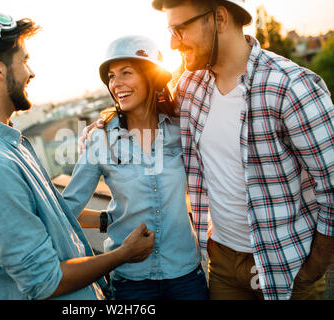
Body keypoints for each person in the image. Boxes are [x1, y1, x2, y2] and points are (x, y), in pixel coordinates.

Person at [81, 0, 333, 300]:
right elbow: (143, 106)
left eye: (180, 29)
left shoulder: (291, 86)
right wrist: (105, 122)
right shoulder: (190, 87)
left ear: (220, 18)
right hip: (221, 266)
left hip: (286, 264)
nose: (173, 43)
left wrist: (316, 266)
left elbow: (331, 186)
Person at [0, 4, 155, 300]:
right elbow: (46, 282)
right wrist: (124, 254)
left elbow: (47, 216)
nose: (31, 72)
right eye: (24, 60)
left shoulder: (4, 142)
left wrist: (107, 220)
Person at [63, 35, 208, 300]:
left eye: (126, 73)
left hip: (186, 277)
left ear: (151, 77)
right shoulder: (101, 138)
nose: (116, 84)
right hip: (131, 283)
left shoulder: (181, 128)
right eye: (111, 76)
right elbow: (65, 209)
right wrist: (105, 220)